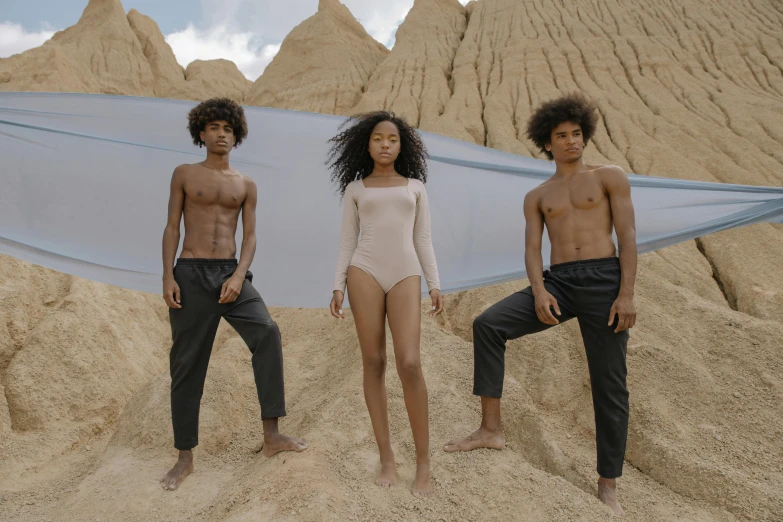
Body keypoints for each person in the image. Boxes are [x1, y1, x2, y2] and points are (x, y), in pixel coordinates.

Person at [443, 93, 637, 516]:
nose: (571, 142)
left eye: (577, 134)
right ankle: (490, 429)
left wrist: (626, 294)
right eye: (561, 136)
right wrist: (540, 289)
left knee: (609, 385)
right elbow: (533, 250)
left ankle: (608, 483)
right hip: (559, 283)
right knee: (488, 324)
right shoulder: (538, 195)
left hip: (605, 282)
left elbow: (627, 238)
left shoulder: (609, 176)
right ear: (547, 143)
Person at [160, 98, 307, 491]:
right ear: (201, 133)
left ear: (236, 135)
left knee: (267, 332)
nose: (221, 134)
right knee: (187, 363)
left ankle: (272, 435)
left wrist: (240, 275)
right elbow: (172, 226)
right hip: (190, 273)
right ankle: (185, 457)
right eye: (214, 128)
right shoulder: (184, 174)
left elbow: (251, 235)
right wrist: (167, 276)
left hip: (230, 273)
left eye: (228, 128)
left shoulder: (246, 184)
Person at [328, 111, 444, 496]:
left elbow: (423, 239)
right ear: (367, 143)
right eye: (378, 138)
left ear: (402, 145)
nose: (384, 145)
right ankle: (387, 458)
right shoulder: (355, 188)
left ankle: (423, 463)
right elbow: (347, 240)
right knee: (373, 361)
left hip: (405, 272)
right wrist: (338, 286)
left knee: (409, 362)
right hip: (364, 271)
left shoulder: (415, 186)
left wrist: (435, 284)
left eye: (392, 139)